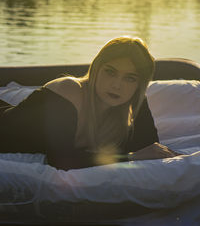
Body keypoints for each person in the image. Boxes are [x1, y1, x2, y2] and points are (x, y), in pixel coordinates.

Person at [0, 36, 178, 170]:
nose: (117, 85)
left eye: (130, 78)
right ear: (96, 68)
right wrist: (131, 157)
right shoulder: (69, 90)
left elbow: (149, 149)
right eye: (110, 72)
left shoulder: (133, 100)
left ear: (139, 84)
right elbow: (61, 161)